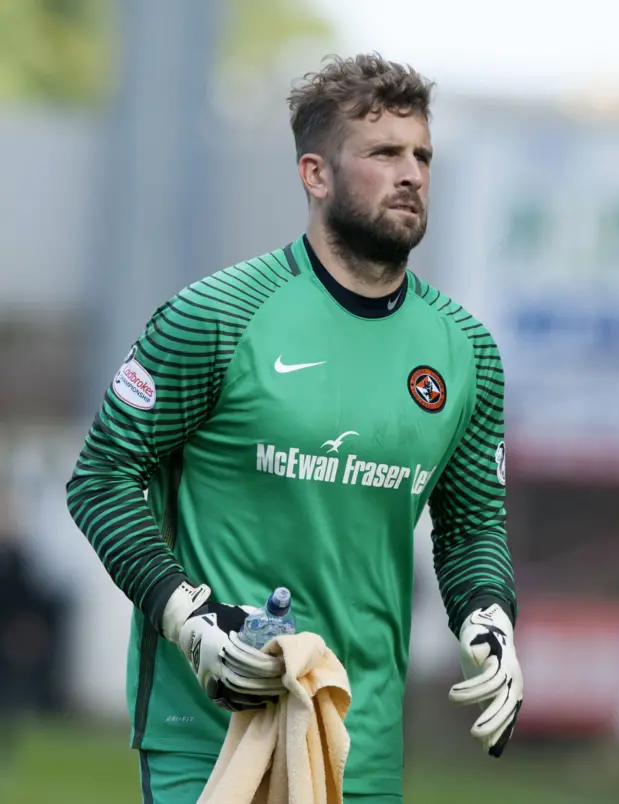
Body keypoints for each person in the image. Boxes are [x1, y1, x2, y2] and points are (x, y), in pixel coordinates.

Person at [66, 52, 523, 804]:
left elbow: (471, 526)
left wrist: (490, 617)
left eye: (422, 155)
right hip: (209, 733)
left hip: (362, 743)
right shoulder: (215, 316)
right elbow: (102, 478)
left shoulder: (465, 349)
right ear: (315, 174)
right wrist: (192, 621)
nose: (411, 173)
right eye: (383, 153)